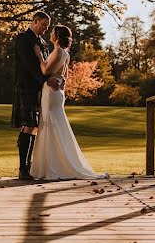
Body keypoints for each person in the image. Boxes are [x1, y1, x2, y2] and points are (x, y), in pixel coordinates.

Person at [30, 25, 108, 181]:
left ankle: (52, 166)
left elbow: (45, 71)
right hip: (58, 92)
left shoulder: (58, 51)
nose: (50, 34)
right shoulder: (66, 54)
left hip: (51, 92)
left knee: (50, 125)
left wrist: (39, 56)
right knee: (56, 125)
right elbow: (64, 78)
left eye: (52, 32)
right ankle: (56, 163)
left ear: (57, 36)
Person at [10, 11, 62, 180]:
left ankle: (27, 167)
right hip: (26, 87)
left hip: (38, 89)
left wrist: (52, 79)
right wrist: (47, 80)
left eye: (47, 27)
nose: (45, 30)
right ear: (34, 21)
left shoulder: (42, 42)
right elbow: (30, 64)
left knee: (33, 127)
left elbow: (45, 65)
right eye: (43, 25)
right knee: (28, 125)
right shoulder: (24, 38)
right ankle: (22, 169)